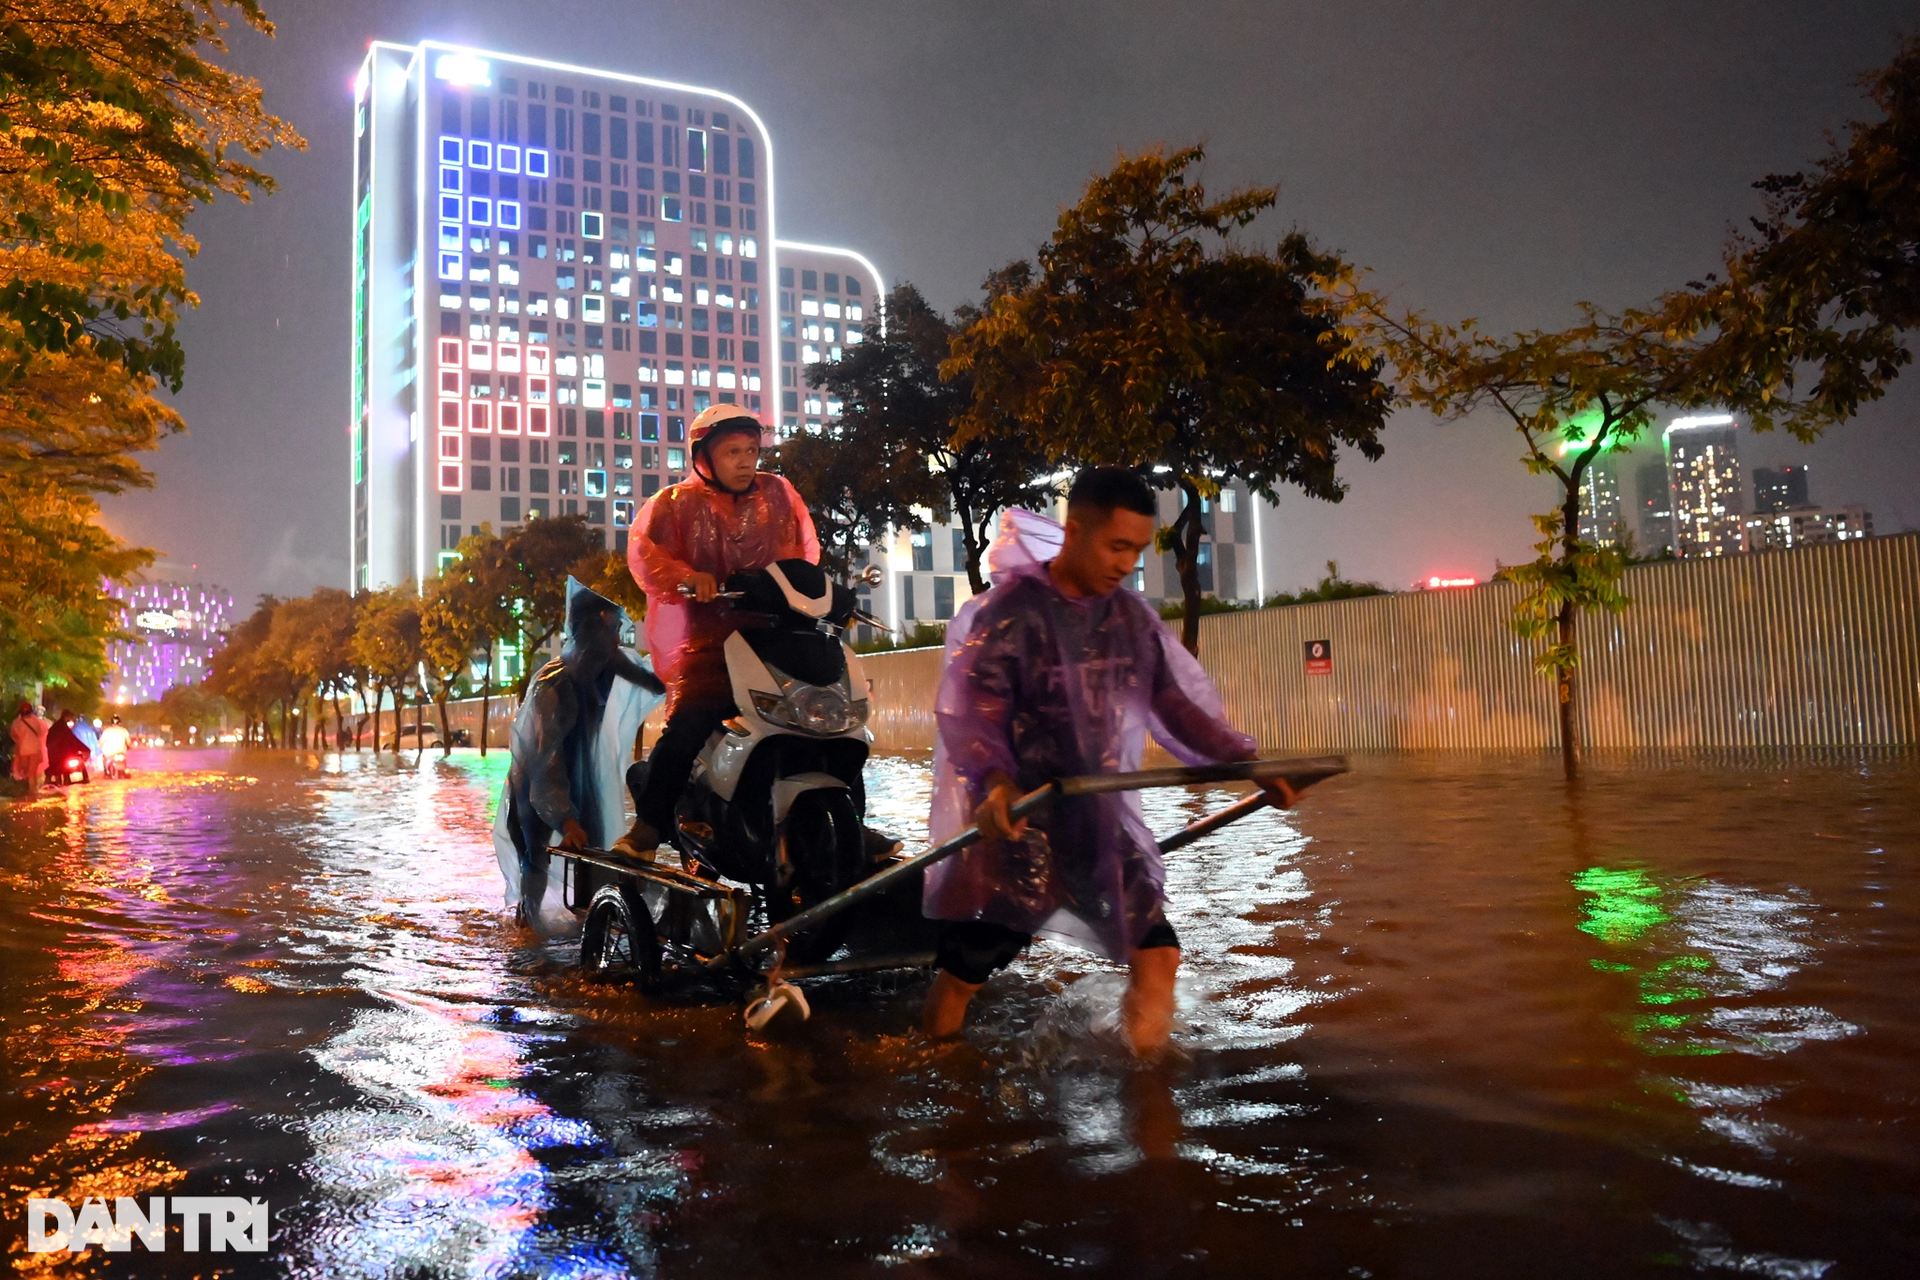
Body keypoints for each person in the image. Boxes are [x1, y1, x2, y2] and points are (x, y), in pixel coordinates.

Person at [920, 468, 1296, 1058]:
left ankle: (1148, 1096)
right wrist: (995, 785)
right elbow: (976, 710)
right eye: (1116, 546)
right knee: (966, 974)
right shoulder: (1013, 611)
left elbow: (1173, 702)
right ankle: (935, 1068)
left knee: (1159, 953)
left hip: (1096, 815)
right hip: (1020, 818)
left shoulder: (1128, 618)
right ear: (1074, 532)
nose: (1127, 564)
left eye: (1138, 551)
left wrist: (1246, 761)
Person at [620, 402, 819, 853]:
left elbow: (804, 555)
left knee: (825, 721)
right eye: (733, 452)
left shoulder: (780, 494)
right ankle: (648, 827)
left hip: (777, 638)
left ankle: (845, 822)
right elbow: (647, 554)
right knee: (689, 723)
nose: (747, 461)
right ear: (704, 456)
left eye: (752, 450)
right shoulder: (674, 504)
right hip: (710, 645)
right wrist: (689, 577)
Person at [501, 583, 665, 927]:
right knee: (535, 857)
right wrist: (566, 820)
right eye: (613, 631)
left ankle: (590, 931)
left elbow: (653, 682)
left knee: (596, 856)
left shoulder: (607, 661)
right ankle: (528, 937)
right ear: (590, 632)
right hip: (532, 782)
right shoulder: (552, 685)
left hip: (580, 775)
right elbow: (546, 761)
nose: (618, 640)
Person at [10, 702, 49, 798]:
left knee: (25, 772)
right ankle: (33, 792)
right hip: (35, 750)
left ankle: (26, 791)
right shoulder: (37, 721)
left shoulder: (17, 723)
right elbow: (42, 732)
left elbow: (14, 736)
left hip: (23, 750)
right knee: (32, 773)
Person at [43, 711, 86, 781]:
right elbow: (73, 740)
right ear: (66, 717)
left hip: (54, 755)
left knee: (53, 774)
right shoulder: (62, 728)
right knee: (63, 773)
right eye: (70, 717)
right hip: (59, 756)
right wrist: (85, 749)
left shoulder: (57, 726)